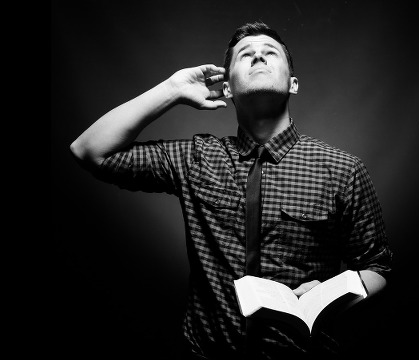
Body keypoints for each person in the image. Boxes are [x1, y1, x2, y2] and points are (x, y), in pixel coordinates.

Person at [70, 21, 393, 360]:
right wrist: (172, 89)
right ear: (226, 89)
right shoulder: (197, 158)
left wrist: (328, 295)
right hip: (205, 355)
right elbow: (90, 151)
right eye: (245, 54)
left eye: (270, 53)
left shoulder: (342, 169)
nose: (258, 56)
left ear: (293, 84)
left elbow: (378, 268)